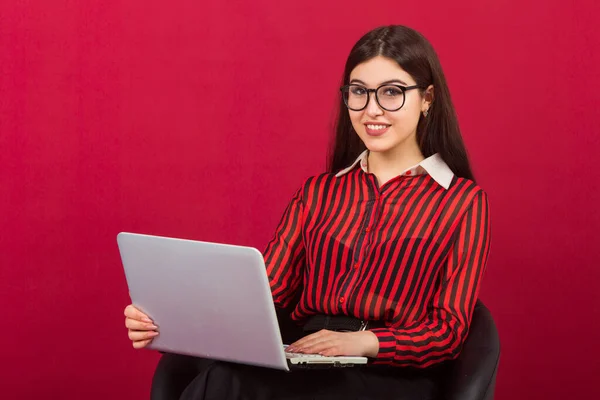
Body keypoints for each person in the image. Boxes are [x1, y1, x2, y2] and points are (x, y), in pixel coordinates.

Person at [124, 25, 491, 400]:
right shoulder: (318, 193)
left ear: (427, 98)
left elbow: (448, 331)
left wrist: (364, 342)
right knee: (226, 379)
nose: (372, 110)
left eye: (392, 93)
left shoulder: (461, 202)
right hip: (307, 356)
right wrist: (166, 323)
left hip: (389, 373)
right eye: (359, 92)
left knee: (237, 386)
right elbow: (265, 295)